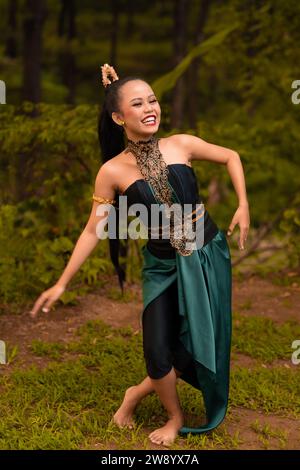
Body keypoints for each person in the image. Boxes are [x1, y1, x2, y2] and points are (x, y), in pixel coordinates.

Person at [30, 63, 250, 447]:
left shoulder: (181, 143)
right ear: (119, 117)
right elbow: (93, 229)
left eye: (152, 99)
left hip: (205, 253)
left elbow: (231, 155)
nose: (150, 107)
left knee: (202, 337)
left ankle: (136, 394)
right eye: (137, 103)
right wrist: (61, 283)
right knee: (157, 346)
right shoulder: (112, 171)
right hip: (163, 264)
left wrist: (243, 204)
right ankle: (174, 416)